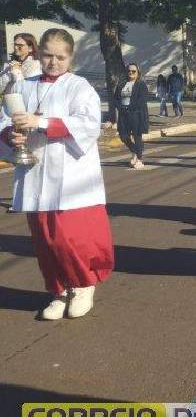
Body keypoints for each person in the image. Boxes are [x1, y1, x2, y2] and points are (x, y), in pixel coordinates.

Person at [0, 28, 114, 320]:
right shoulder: (24, 86)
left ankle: (83, 284)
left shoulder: (79, 86)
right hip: (35, 172)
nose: (53, 62)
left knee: (69, 238)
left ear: (70, 57)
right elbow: (4, 118)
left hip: (70, 176)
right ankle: (59, 290)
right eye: (48, 55)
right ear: (38, 55)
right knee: (44, 239)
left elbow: (88, 124)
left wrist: (41, 122)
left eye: (60, 57)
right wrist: (10, 134)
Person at [114, 62, 150, 169]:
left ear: (138, 73)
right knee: (123, 136)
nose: (131, 73)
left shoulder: (141, 85)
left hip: (136, 114)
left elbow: (142, 100)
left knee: (137, 136)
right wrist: (120, 107)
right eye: (129, 71)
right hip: (124, 114)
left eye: (133, 71)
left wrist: (129, 107)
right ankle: (134, 150)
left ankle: (139, 159)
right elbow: (115, 98)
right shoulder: (122, 84)